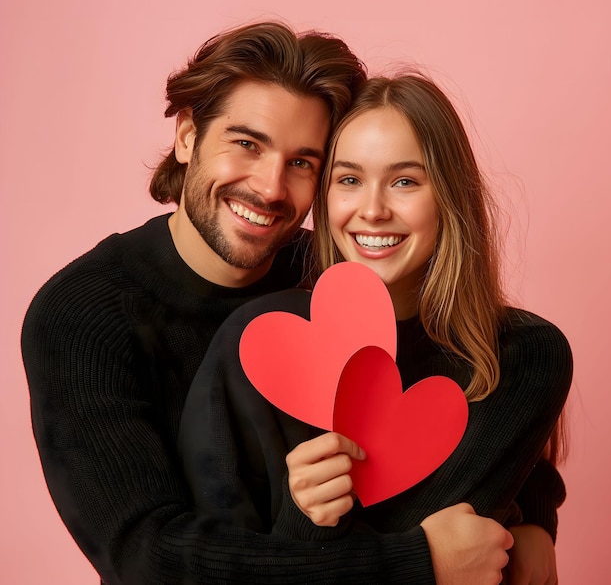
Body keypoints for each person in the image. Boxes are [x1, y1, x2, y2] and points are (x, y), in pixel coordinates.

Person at [22, 19, 562, 584]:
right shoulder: (83, 316)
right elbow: (148, 558)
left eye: (303, 162)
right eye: (247, 144)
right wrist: (416, 565)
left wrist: (535, 519)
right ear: (187, 136)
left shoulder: (338, 273)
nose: (271, 187)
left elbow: (456, 383)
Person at [177, 74, 572, 584]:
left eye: (405, 181)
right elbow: (223, 569)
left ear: (450, 196)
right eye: (348, 179)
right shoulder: (262, 340)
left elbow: (456, 541)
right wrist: (306, 518)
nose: (373, 209)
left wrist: (533, 518)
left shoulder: (523, 356)